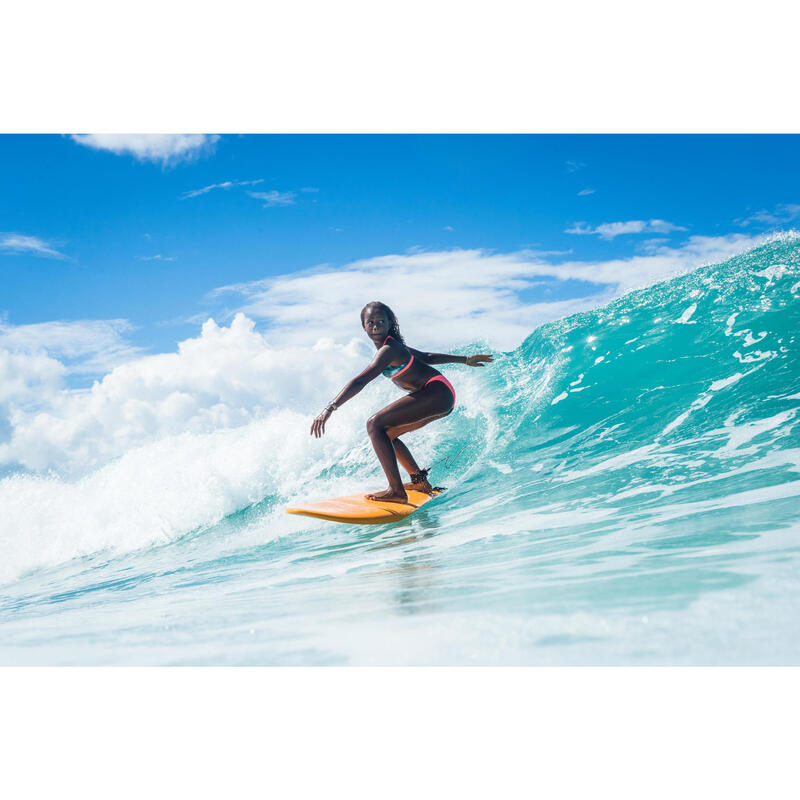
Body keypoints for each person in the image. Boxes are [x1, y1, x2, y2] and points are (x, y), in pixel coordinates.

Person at [310, 301, 494, 504]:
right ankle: (419, 481)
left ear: (390, 323)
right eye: (370, 322)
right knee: (387, 434)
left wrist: (330, 408)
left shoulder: (389, 349)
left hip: (436, 391)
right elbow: (427, 357)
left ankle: (397, 491)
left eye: (381, 321)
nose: (376, 326)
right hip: (440, 394)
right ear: (363, 327)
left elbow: (361, 380)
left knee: (374, 424)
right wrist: (465, 359)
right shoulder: (393, 347)